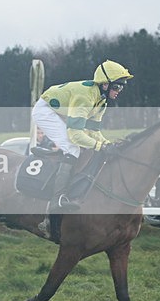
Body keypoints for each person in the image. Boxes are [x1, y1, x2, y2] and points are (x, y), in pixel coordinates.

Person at [31, 59, 133, 211]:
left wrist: (108, 144)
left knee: (84, 146)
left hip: (60, 112)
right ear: (105, 84)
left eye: (122, 87)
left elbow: (93, 132)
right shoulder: (85, 97)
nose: (119, 90)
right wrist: (100, 146)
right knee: (73, 147)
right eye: (117, 86)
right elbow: (75, 136)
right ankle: (56, 199)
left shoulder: (101, 101)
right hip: (45, 111)